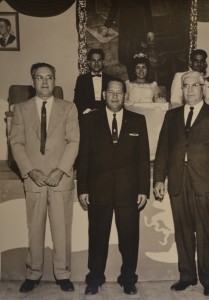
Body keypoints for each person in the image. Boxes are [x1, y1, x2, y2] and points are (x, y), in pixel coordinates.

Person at [153, 71, 209, 297]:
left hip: (207, 183)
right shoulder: (172, 116)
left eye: (194, 86)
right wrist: (159, 178)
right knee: (183, 232)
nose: (189, 90)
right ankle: (187, 276)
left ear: (203, 88)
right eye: (185, 86)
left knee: (207, 232)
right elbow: (163, 150)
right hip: (178, 182)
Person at [9, 63, 80, 293]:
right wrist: (30, 171)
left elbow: (74, 141)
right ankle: (33, 274)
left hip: (61, 179)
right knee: (35, 228)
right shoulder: (20, 109)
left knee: (62, 229)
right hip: (34, 179)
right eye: (39, 78)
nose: (45, 82)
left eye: (49, 77)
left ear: (55, 80)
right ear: (33, 82)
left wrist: (60, 170)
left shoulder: (69, 108)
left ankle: (62, 274)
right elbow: (16, 143)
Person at [77, 78, 150, 295]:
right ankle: (94, 278)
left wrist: (143, 190)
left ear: (125, 95)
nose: (115, 96)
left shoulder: (138, 120)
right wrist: (82, 188)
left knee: (129, 238)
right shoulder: (90, 120)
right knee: (97, 237)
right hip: (98, 189)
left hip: (129, 190)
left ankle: (128, 278)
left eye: (119, 92)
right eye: (111, 92)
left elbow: (143, 159)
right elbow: (84, 158)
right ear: (103, 95)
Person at [100, 0, 154, 79]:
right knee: (127, 58)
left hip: (139, 31)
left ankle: (142, 85)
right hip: (125, 31)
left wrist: (150, 30)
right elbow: (114, 10)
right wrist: (106, 26)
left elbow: (147, 11)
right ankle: (132, 82)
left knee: (140, 60)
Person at [73, 48, 116, 116]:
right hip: (87, 115)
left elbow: (114, 100)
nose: (96, 63)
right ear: (89, 62)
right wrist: (89, 112)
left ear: (103, 62)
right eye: (93, 60)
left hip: (107, 115)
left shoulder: (110, 80)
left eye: (99, 60)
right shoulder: (81, 80)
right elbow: (77, 101)